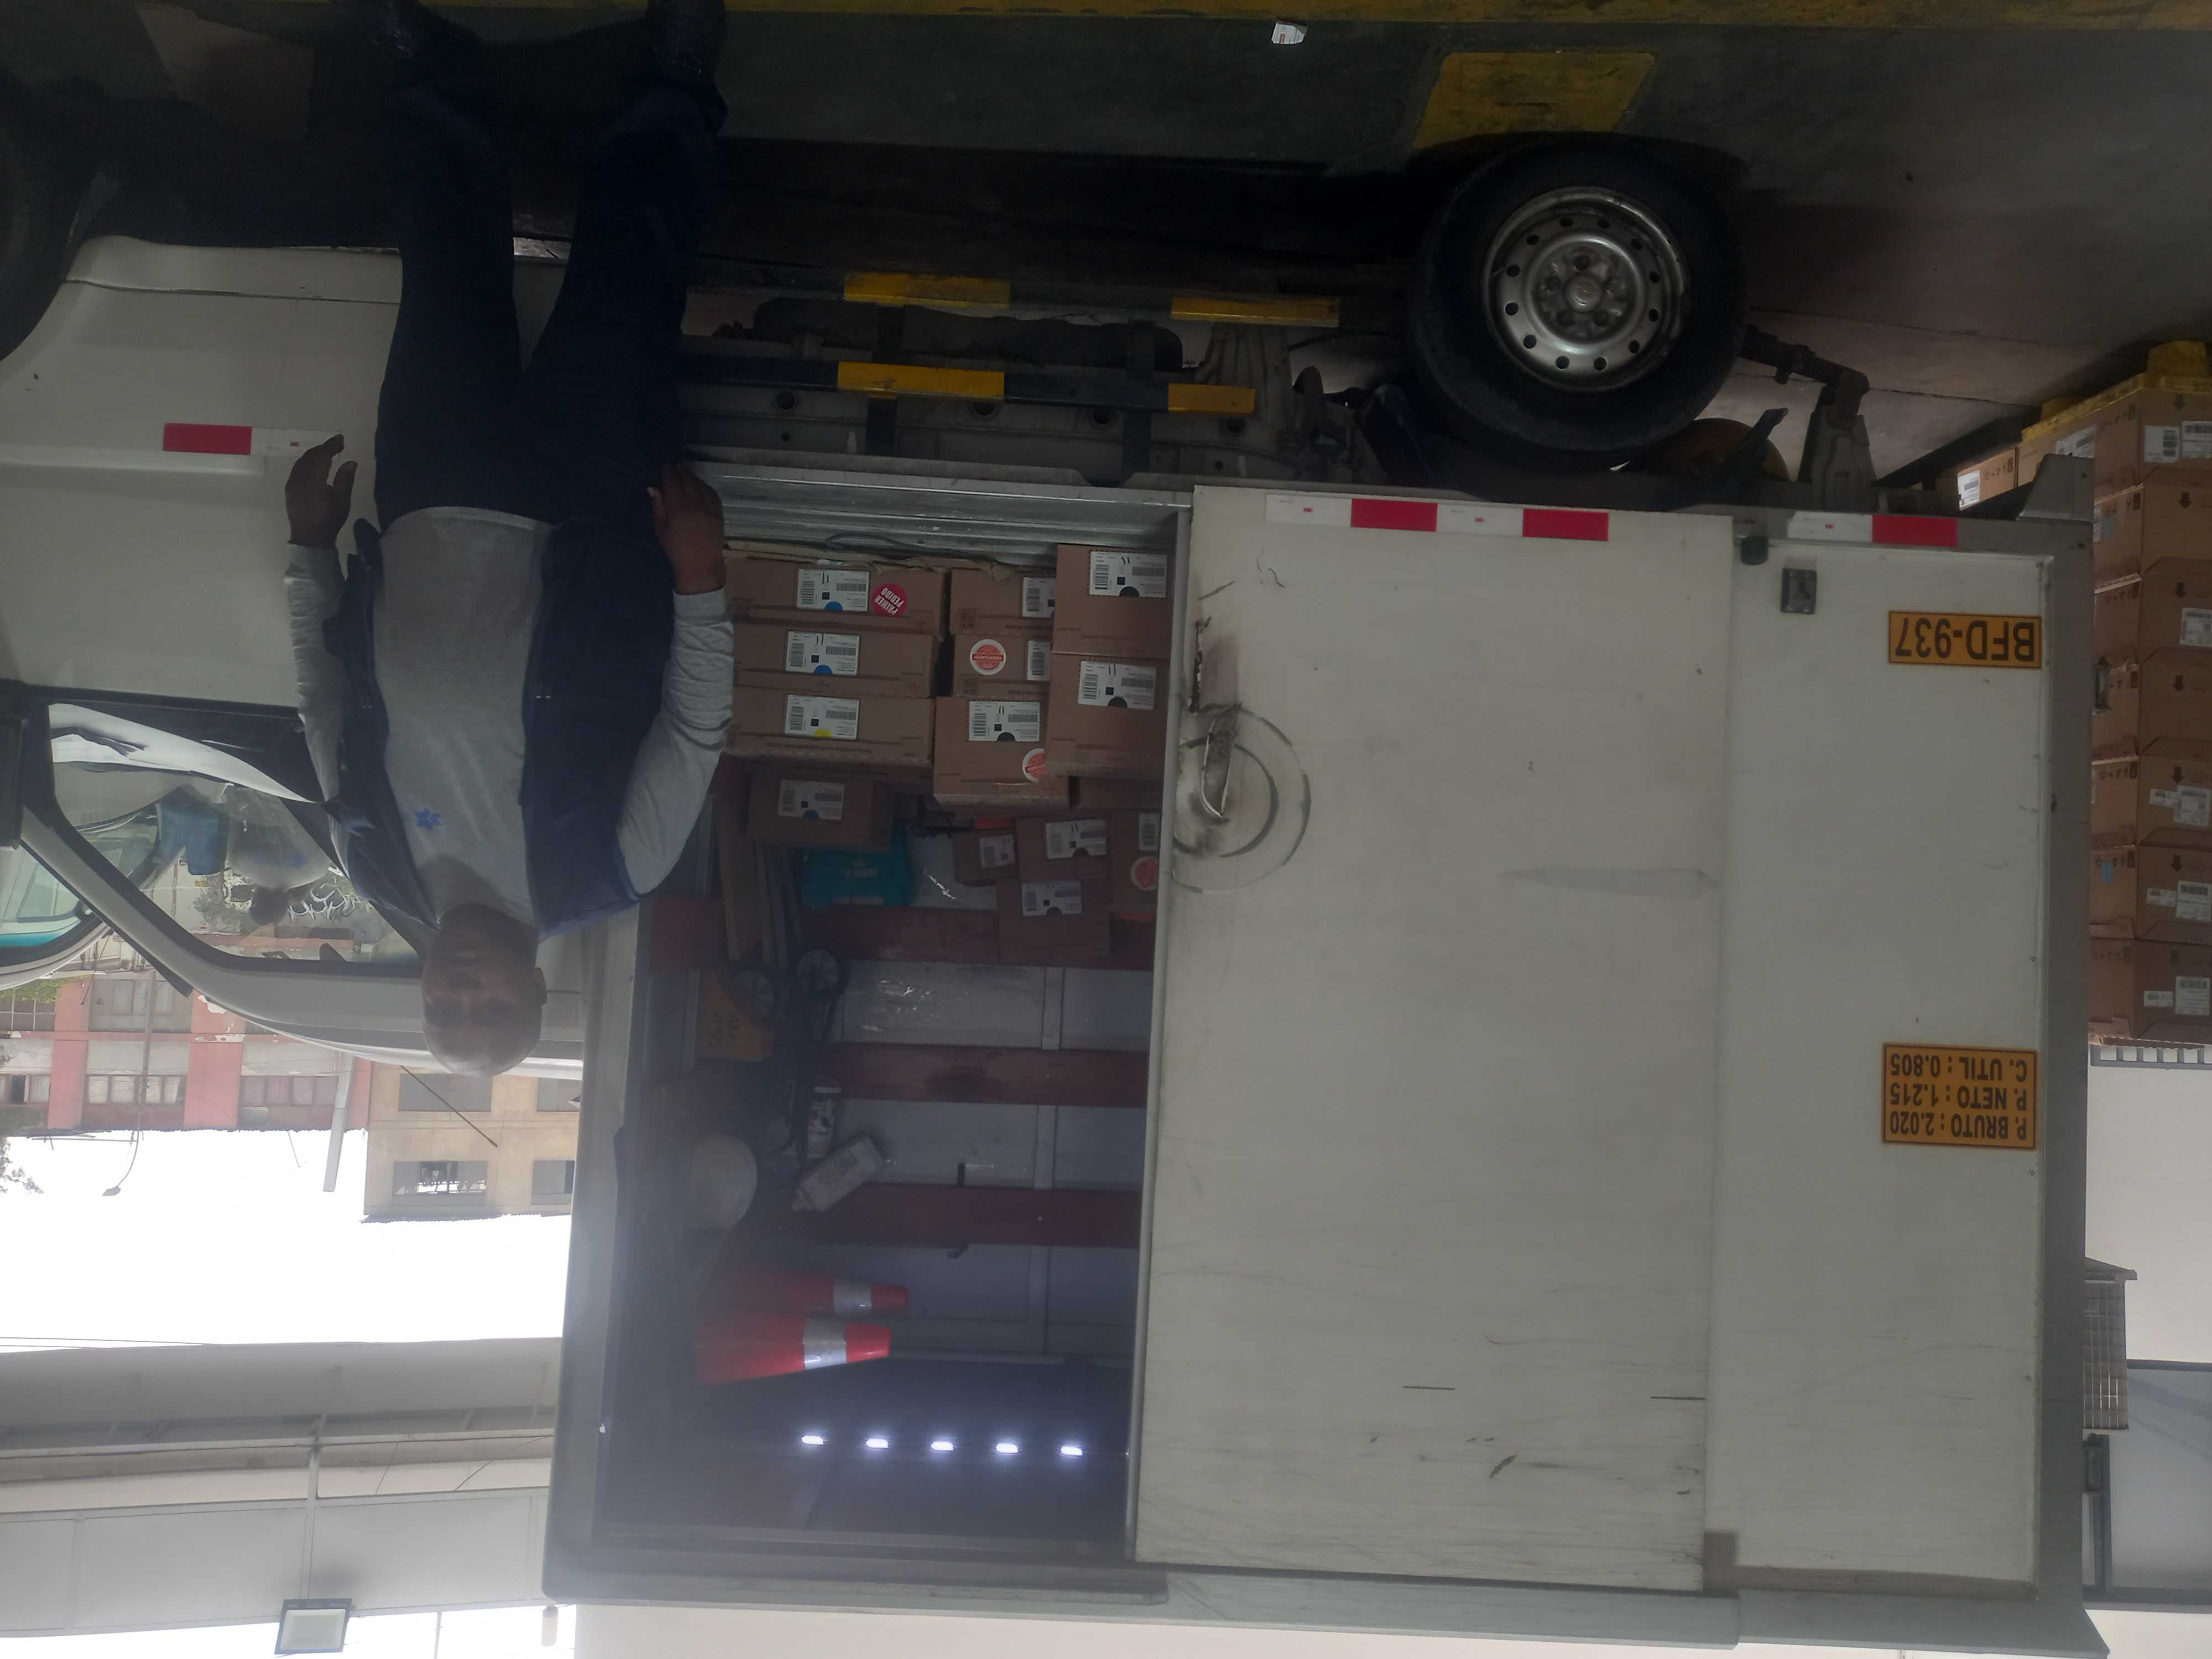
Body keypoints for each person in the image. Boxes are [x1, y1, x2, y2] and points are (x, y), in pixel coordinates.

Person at [284, 0, 735, 1075]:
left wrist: (308, 555)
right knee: (628, 278)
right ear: (535, 989)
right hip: (587, 513)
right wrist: (699, 578)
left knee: (442, 264)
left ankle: (435, 72)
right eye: (488, 1013)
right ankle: (676, 75)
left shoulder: (373, 865)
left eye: (444, 1015)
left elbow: (325, 705)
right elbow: (692, 733)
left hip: (429, 496)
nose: (460, 995)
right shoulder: (606, 876)